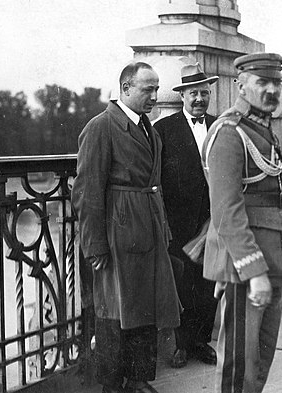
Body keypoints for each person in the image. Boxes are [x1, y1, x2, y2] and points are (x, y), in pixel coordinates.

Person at [72, 61, 181, 393]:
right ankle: (111, 384)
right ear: (125, 89)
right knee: (114, 311)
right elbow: (87, 191)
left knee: (144, 307)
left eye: (156, 89)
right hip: (118, 234)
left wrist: (162, 227)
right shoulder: (101, 127)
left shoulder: (148, 126)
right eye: (147, 89)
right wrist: (94, 245)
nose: (154, 96)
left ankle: (138, 379)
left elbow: (154, 183)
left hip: (146, 228)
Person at [202, 52, 282, 393]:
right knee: (240, 363)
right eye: (263, 82)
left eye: (277, 83)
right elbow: (226, 210)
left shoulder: (261, 129)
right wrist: (254, 272)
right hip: (248, 263)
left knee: (260, 357)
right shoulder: (229, 132)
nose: (272, 90)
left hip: (270, 253)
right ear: (240, 85)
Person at [153, 61, 219, 369]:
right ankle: (180, 345)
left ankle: (201, 342)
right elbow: (154, 177)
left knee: (208, 284)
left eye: (204, 93)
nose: (199, 100)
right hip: (177, 222)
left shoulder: (220, 127)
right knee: (182, 285)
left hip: (213, 221)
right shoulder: (163, 130)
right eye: (193, 93)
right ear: (182, 96)